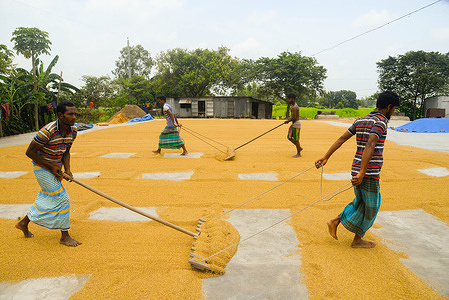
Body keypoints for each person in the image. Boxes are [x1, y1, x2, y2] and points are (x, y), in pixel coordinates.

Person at [315, 91, 399, 248]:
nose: (393, 112)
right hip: (368, 171)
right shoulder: (380, 122)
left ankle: (335, 221)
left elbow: (342, 138)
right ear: (388, 107)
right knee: (371, 206)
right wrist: (362, 172)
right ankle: (357, 240)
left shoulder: (361, 120)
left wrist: (326, 156)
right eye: (393, 109)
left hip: (357, 168)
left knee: (360, 202)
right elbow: (371, 144)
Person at [15, 101, 81, 247]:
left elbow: (66, 151)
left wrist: (67, 169)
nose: (74, 117)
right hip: (41, 167)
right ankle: (65, 236)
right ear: (60, 115)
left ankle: (23, 223)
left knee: (46, 197)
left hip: (55, 166)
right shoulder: (48, 131)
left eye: (75, 113)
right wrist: (51, 167)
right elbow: (30, 152)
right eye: (70, 114)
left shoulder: (73, 130)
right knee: (63, 198)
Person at [284, 93, 303, 157]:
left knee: (296, 139)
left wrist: (288, 121)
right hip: (294, 124)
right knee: (289, 137)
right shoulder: (293, 106)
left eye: (289, 99)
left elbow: (294, 118)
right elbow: (292, 117)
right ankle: (299, 147)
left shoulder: (295, 107)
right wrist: (289, 120)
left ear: (292, 99)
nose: (288, 100)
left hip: (296, 124)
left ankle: (298, 153)